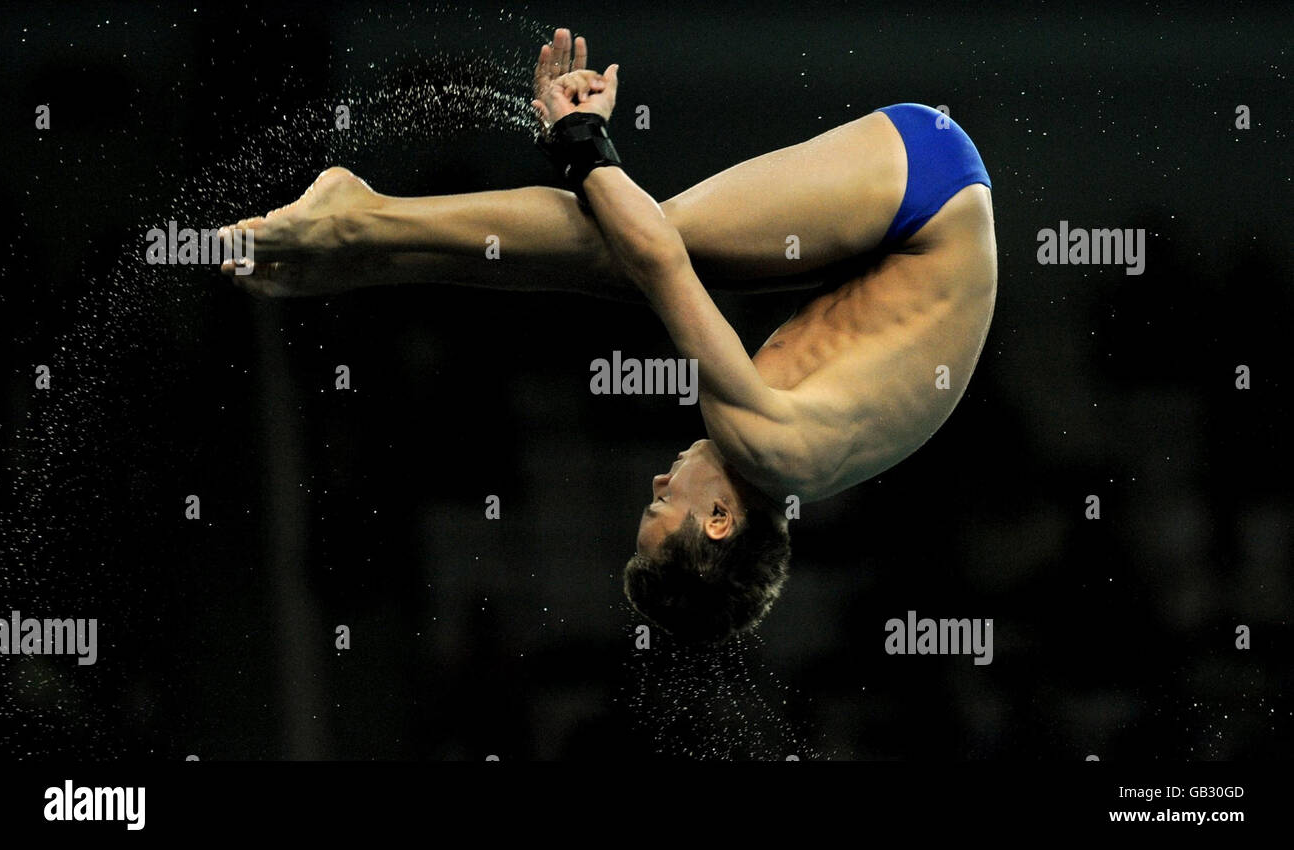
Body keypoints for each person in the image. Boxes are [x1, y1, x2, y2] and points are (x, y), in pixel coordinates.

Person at [218, 28, 997, 645]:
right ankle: (357, 221)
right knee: (648, 242)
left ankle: (365, 249)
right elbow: (654, 252)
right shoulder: (766, 446)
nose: (656, 488)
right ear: (718, 523)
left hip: (915, 226)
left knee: (618, 260)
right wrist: (583, 138)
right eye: (661, 513)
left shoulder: (794, 464)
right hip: (926, 183)